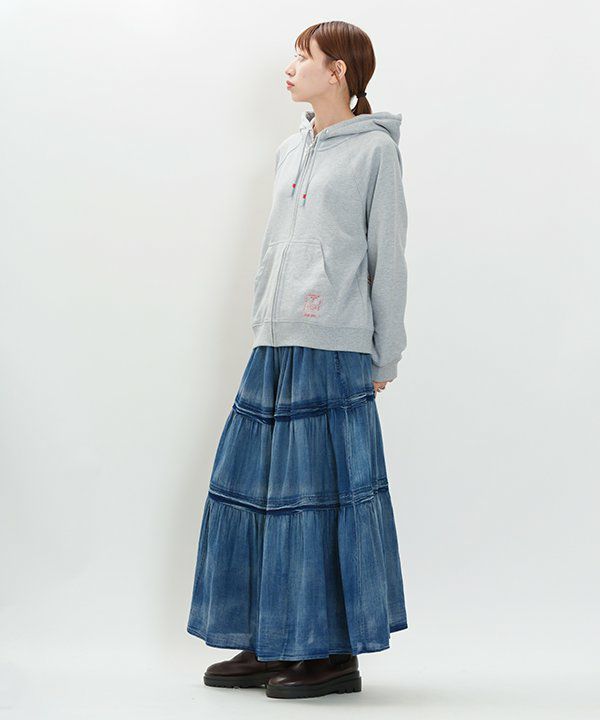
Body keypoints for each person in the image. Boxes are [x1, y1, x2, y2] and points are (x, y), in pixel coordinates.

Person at [187, 20, 409, 700]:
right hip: (276, 342)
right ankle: (275, 635)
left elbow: (388, 256)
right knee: (259, 491)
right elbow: (274, 246)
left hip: (335, 344)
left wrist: (386, 353)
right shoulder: (291, 148)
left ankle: (330, 654)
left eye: (303, 56)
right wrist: (262, 320)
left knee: (320, 500)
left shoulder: (375, 152)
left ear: (338, 70)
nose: (290, 67)